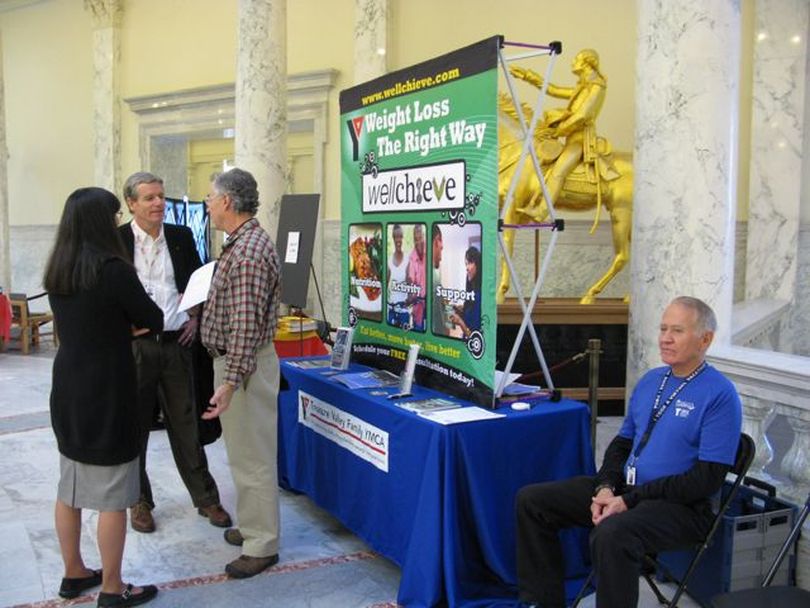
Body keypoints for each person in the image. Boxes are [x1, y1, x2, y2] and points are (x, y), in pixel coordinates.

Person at [515, 296, 742, 608]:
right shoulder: (651, 381)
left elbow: (707, 479)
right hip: (626, 492)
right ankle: (542, 603)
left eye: (677, 330)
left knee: (611, 533)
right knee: (532, 501)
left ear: (705, 339)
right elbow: (622, 444)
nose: (665, 338)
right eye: (663, 328)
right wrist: (606, 487)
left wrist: (628, 501)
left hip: (682, 507)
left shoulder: (720, 394)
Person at [44, 187, 162, 607]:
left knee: (70, 486)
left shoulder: (59, 268)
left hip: (69, 385)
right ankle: (113, 589)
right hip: (108, 388)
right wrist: (124, 328)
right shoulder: (114, 269)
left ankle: (73, 572)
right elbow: (154, 317)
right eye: (114, 217)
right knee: (114, 494)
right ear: (101, 223)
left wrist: (115, 326)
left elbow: (82, 322)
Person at [120, 172, 231, 534]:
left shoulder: (181, 237)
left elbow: (200, 284)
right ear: (131, 204)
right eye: (149, 197)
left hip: (176, 344)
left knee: (186, 424)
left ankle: (206, 497)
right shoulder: (117, 241)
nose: (157, 203)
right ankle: (139, 501)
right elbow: (106, 293)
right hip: (135, 349)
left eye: (161, 196)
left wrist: (195, 318)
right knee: (134, 428)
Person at [200, 168, 283, 579]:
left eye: (210, 199)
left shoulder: (247, 251)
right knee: (245, 454)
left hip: (244, 365)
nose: (208, 205)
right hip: (242, 362)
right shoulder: (243, 242)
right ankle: (253, 526)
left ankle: (262, 544)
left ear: (228, 203)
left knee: (253, 458)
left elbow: (246, 325)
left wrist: (230, 382)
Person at [512, 49, 607, 220]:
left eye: (576, 59)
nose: (573, 62)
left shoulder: (596, 86)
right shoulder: (582, 86)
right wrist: (526, 76)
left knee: (559, 171)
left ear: (587, 62)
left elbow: (582, 115)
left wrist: (559, 130)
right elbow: (553, 90)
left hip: (581, 140)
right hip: (570, 137)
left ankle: (542, 211)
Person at [449, 246, 481, 338]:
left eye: (470, 263)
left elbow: (475, 338)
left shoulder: (480, 297)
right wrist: (460, 310)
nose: (467, 268)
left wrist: (460, 322)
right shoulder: (472, 293)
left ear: (478, 265)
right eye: (466, 264)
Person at [405, 224, 426, 331]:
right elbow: (411, 279)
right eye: (415, 239)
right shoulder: (412, 257)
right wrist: (410, 295)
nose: (418, 242)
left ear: (423, 236)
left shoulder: (430, 250)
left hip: (431, 305)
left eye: (420, 238)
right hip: (418, 309)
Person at [386, 224, 409, 327]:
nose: (398, 240)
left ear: (403, 237)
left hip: (404, 311)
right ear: (393, 238)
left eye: (400, 236)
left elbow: (412, 286)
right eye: (396, 236)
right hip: (391, 310)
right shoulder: (389, 260)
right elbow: (385, 285)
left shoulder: (408, 260)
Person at [430, 224, 446, 335]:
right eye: (441, 248)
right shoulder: (434, 277)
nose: (441, 258)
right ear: (436, 241)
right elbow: (442, 325)